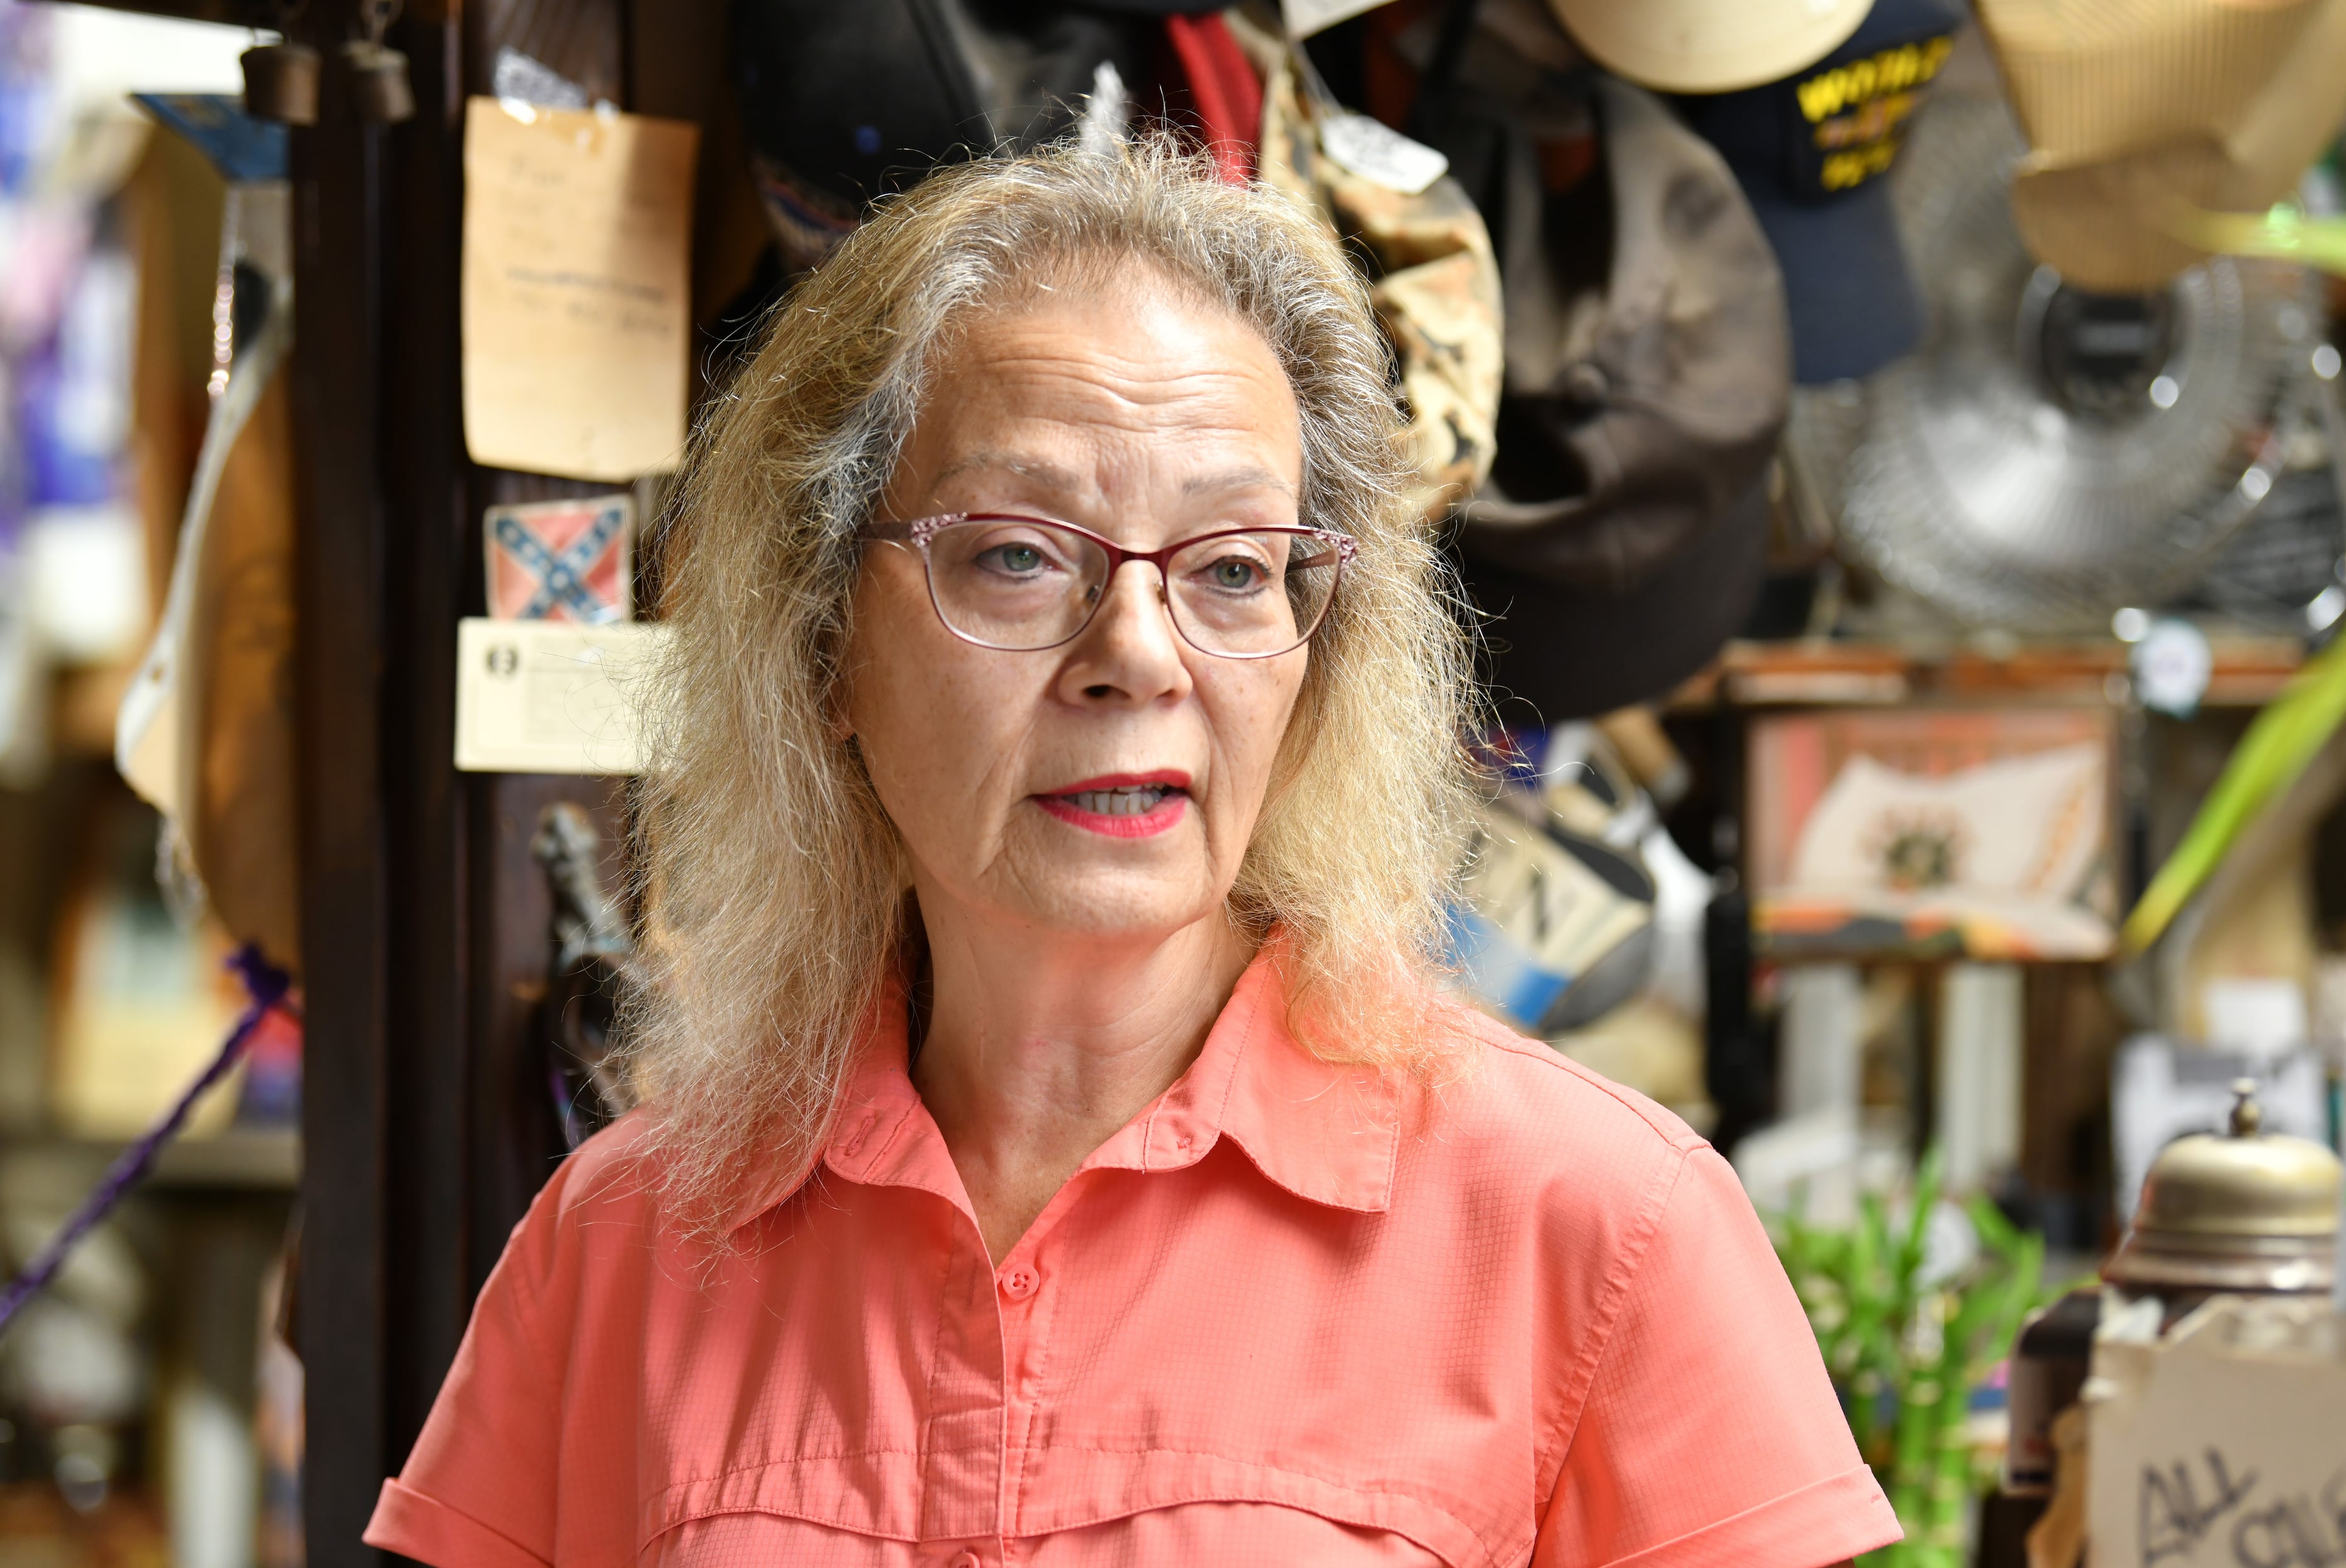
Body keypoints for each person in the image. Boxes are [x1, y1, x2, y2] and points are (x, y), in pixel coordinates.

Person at [364, 136, 1898, 1568]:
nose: (1139, 655)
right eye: (1017, 554)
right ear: (824, 641)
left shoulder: (1600, 1224)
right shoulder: (622, 1243)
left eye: (1232, 568)